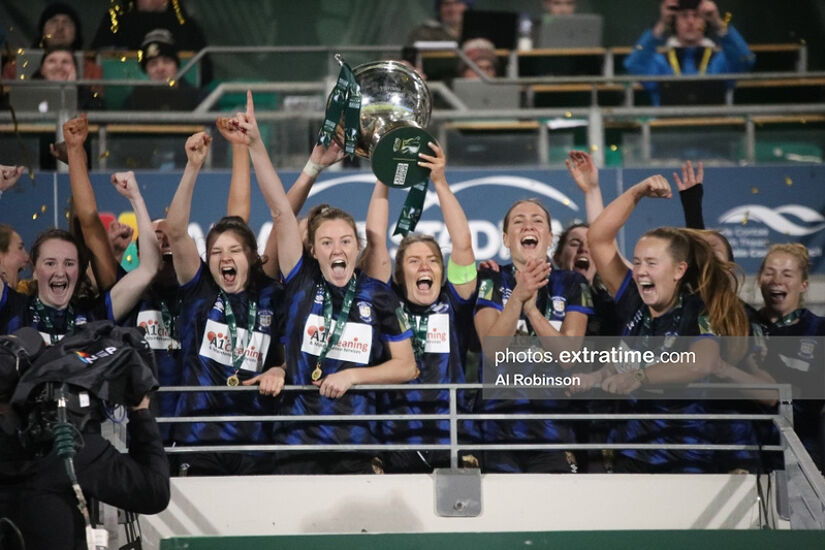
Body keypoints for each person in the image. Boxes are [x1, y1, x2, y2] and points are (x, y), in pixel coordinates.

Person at [225, 91, 417, 474]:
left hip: (357, 443)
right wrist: (258, 145)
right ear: (312, 250)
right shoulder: (300, 282)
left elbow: (407, 367)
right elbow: (281, 211)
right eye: (326, 242)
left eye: (345, 241)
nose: (336, 249)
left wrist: (353, 375)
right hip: (296, 441)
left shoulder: (377, 295)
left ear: (357, 247)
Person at [581, 175, 749, 473]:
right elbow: (598, 238)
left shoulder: (699, 309)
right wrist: (637, 192)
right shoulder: (632, 298)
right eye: (637, 261)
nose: (640, 271)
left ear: (678, 270)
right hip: (629, 456)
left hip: (686, 461)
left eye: (651, 263)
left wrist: (639, 377)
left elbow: (702, 362)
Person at [164, 131, 284, 476]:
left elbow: (290, 352)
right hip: (198, 439)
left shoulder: (271, 296)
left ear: (251, 255)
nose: (224, 258)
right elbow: (175, 231)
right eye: (215, 252)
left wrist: (281, 369)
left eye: (233, 251)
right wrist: (192, 166)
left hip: (257, 441)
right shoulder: (198, 288)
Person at [360, 143, 479, 472]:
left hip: (451, 439)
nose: (425, 267)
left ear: (443, 273)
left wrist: (439, 180)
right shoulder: (387, 301)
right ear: (399, 274)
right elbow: (376, 242)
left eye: (432, 261)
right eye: (414, 261)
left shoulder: (453, 303)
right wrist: (383, 177)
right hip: (396, 439)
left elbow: (463, 244)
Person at [474, 196, 593, 473]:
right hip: (498, 432)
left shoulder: (572, 283)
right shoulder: (491, 279)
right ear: (505, 238)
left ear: (549, 237)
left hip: (555, 430)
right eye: (518, 221)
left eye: (537, 221)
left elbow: (568, 356)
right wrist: (518, 297)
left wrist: (532, 310)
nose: (528, 225)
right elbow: (492, 351)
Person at [0, 169, 160, 341]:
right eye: (50, 263)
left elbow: (149, 269)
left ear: (79, 270)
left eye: (69, 263)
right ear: (35, 271)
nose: (60, 272)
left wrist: (135, 197)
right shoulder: (13, 307)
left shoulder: (95, 315)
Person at [751, 244, 825, 472]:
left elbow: (810, 398)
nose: (776, 280)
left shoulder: (819, 330)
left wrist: (770, 358)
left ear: (803, 284)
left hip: (801, 460)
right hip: (746, 454)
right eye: (770, 272)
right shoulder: (742, 324)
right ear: (759, 279)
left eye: (787, 274)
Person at [623, 0, 755, 105]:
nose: (691, 22)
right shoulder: (660, 61)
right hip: (667, 134)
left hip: (716, 132)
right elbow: (633, 64)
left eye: (697, 16)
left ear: (705, 21)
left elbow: (746, 59)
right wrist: (662, 24)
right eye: (684, 16)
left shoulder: (720, 60)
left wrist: (717, 22)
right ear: (675, 22)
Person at [90, 0, 212, 85]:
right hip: (127, 101)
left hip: (181, 98)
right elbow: (95, 64)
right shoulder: (114, 22)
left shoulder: (186, 25)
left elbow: (204, 71)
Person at [1, 3, 103, 83]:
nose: (60, 28)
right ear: (42, 30)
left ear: (76, 32)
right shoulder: (14, 70)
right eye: (53, 21)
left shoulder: (93, 72)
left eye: (66, 22)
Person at [123, 28, 200, 111]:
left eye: (167, 61)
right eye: (153, 64)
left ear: (176, 66)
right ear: (146, 70)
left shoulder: (197, 98)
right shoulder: (135, 99)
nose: (160, 68)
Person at [407, 0, 471, 45]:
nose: (452, 9)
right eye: (446, 4)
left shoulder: (476, 33)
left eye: (457, 3)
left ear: (466, 6)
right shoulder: (424, 33)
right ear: (439, 8)